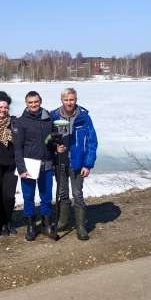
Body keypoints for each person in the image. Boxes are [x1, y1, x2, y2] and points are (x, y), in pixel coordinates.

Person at [50, 88, 98, 240]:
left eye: (72, 99)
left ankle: (81, 226)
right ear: (62, 100)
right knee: (63, 193)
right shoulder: (54, 116)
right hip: (60, 162)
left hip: (78, 163)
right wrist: (55, 146)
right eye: (66, 100)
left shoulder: (83, 118)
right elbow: (47, 138)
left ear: (76, 100)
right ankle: (63, 222)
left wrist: (88, 164)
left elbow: (92, 141)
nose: (69, 102)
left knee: (77, 194)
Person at [13, 91, 57, 241]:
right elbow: (17, 147)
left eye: (36, 102)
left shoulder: (49, 119)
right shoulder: (20, 122)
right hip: (29, 165)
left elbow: (52, 140)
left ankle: (46, 223)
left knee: (46, 196)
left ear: (40, 101)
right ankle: (31, 225)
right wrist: (21, 168)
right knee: (28, 197)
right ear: (26, 104)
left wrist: (57, 146)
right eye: (30, 102)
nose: (33, 105)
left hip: (46, 164)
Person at [0, 91, 18, 236]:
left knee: (9, 196)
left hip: (10, 165)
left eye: (5, 107)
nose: (3, 110)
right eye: (0, 107)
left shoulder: (13, 122)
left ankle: (8, 220)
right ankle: (0, 223)